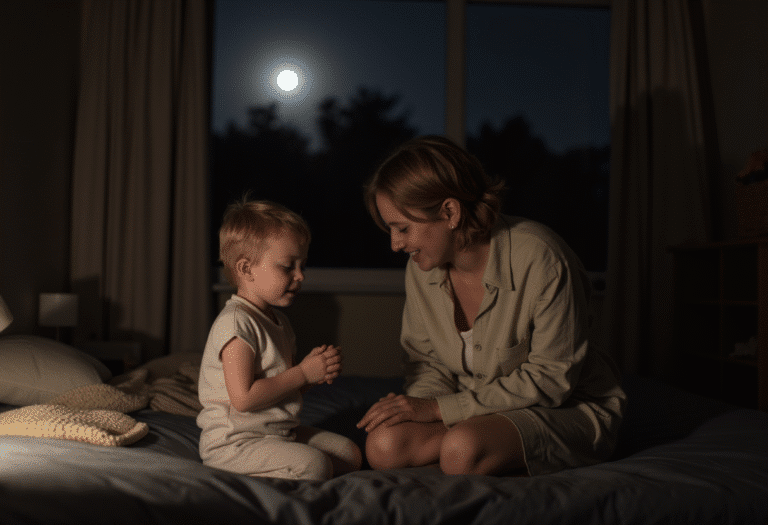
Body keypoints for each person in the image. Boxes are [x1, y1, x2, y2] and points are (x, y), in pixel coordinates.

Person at [357, 136, 626, 477]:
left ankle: (477, 446)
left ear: (450, 212)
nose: (395, 244)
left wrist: (441, 410)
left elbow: (551, 379)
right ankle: (472, 442)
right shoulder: (421, 267)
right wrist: (420, 408)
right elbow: (426, 364)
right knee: (383, 445)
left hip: (564, 406)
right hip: (474, 408)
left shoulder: (541, 258)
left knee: (462, 450)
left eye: (402, 228)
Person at [197, 199, 362, 481]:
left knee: (350, 454)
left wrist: (312, 376)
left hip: (278, 433)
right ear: (246, 269)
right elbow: (244, 399)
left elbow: (280, 388)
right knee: (316, 466)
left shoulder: (278, 322)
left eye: (302, 266)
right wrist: (302, 373)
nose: (300, 276)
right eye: (288, 267)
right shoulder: (236, 324)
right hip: (236, 443)